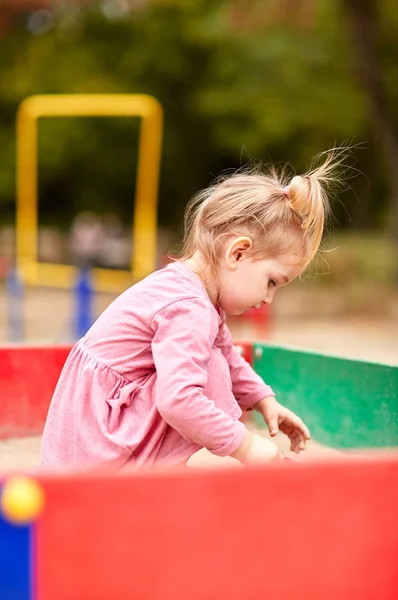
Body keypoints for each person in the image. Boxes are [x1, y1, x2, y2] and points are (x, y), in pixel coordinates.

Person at [41, 150, 342, 470]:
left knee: (213, 358)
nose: (269, 299)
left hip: (89, 435)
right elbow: (178, 400)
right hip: (97, 448)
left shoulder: (191, 290)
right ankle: (150, 477)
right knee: (206, 368)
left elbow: (227, 351)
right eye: (271, 282)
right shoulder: (189, 307)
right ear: (237, 253)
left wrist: (263, 400)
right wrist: (246, 446)